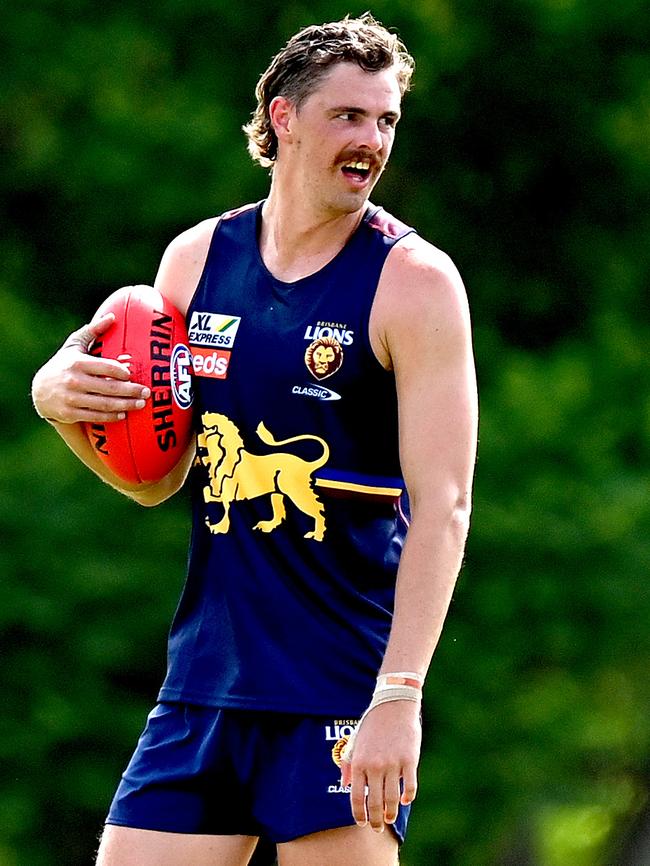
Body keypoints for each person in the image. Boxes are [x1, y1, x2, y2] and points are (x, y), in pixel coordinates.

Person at [31, 13, 478, 866]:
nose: (372, 140)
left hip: (336, 689)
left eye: (385, 120)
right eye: (349, 115)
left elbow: (446, 506)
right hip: (203, 684)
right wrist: (59, 407)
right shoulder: (195, 262)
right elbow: (154, 478)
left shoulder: (414, 283)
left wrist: (400, 694)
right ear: (283, 116)